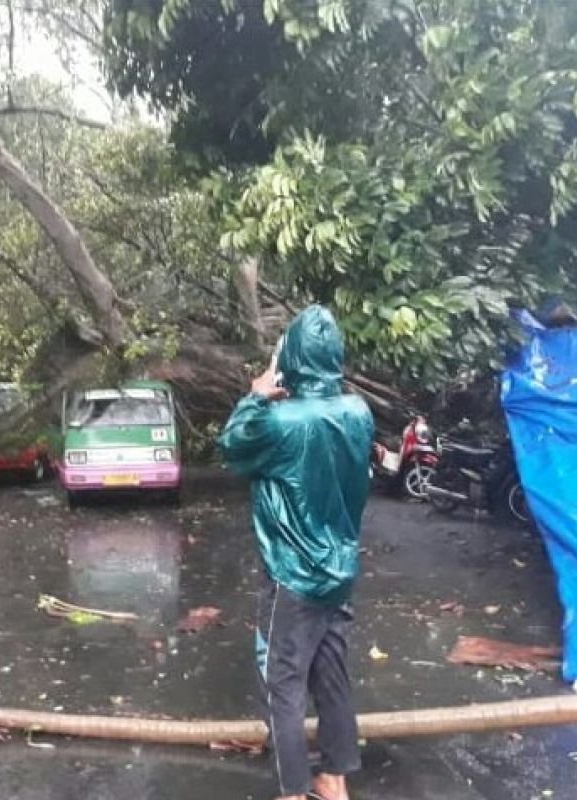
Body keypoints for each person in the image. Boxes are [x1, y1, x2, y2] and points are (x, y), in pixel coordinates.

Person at [219, 305, 375, 800]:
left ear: (291, 359)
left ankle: (292, 792)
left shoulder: (279, 423)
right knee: (331, 674)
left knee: (281, 682)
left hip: (294, 574)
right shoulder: (358, 412)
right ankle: (334, 778)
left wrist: (255, 396)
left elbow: (232, 447)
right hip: (339, 569)